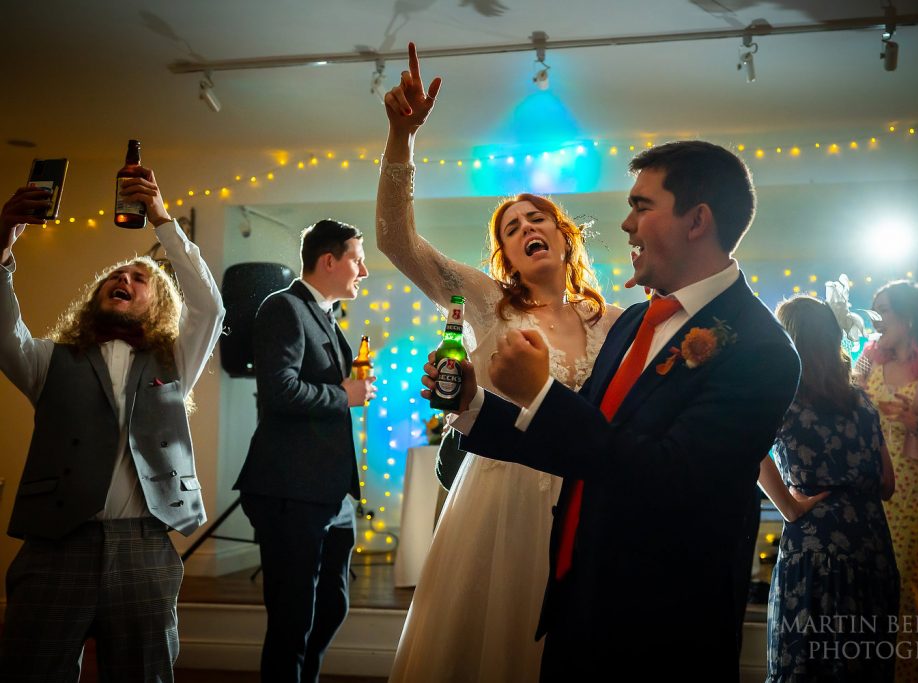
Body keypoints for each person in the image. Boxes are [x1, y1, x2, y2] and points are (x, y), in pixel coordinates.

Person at [425, 138, 801, 680]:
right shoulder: (632, 323)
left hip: (659, 627)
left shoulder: (760, 348)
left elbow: (668, 474)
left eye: (642, 207)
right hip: (575, 600)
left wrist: (541, 393)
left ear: (697, 221)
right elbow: (580, 441)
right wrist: (472, 405)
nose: (626, 224)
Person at [377, 44, 621, 682]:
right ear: (506, 257)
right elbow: (396, 241)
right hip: (501, 494)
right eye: (512, 228)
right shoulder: (488, 302)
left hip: (584, 495)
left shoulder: (613, 321)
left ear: (564, 236)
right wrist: (402, 137)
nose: (527, 228)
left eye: (538, 219)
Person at [0, 172, 225, 681]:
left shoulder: (175, 360)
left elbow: (210, 307)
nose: (123, 278)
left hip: (145, 547)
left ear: (160, 303)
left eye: (139, 278)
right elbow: (4, 330)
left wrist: (162, 219)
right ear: (97, 295)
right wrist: (2, 247)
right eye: (115, 276)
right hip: (55, 546)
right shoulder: (48, 361)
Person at [232, 219, 376, 683]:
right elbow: (279, 391)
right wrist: (343, 395)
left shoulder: (327, 314)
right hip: (290, 489)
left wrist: (348, 387)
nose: (364, 271)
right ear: (329, 261)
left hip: (330, 492)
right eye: (357, 260)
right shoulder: (284, 307)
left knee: (332, 606)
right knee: (292, 617)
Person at [759, 295, 899, 682]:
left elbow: (749, 451)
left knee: (805, 666)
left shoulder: (782, 398)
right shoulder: (862, 403)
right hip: (871, 547)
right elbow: (888, 484)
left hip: (813, 549)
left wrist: (789, 507)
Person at [855, 279, 918, 682]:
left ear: (908, 317)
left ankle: (914, 675)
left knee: (908, 584)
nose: (875, 320)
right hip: (873, 485)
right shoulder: (867, 359)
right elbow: (846, 403)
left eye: (883, 311)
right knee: (874, 585)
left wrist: (916, 422)